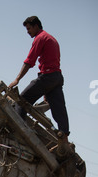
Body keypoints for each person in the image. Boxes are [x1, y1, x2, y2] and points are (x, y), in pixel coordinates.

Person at [9, 16, 70, 145]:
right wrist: (46, 92)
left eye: (29, 28)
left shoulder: (40, 38)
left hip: (47, 77)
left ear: (36, 26)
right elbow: (50, 64)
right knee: (59, 110)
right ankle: (64, 139)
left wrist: (17, 79)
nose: (28, 32)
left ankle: (20, 134)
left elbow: (29, 61)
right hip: (56, 78)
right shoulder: (52, 38)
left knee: (21, 102)